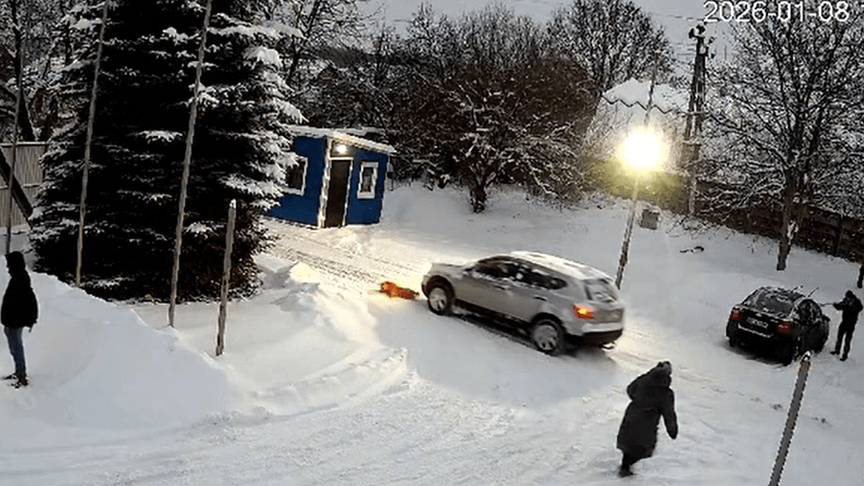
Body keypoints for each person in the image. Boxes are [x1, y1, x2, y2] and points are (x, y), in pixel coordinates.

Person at [616, 361, 678, 477]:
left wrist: (638, 401)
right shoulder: (665, 393)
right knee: (642, 447)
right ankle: (625, 469)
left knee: (629, 443)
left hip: (632, 415)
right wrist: (672, 430)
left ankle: (625, 467)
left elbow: (630, 389)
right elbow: (669, 413)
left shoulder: (643, 379)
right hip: (648, 422)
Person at [2, 251, 38, 388]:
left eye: (8, 264)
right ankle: (18, 372)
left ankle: (21, 375)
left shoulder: (20, 278)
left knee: (16, 347)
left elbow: (23, 301)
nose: (7, 267)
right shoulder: (18, 276)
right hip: (12, 320)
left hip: (15, 320)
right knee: (14, 347)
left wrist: (25, 318)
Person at [831, 290, 863, 362]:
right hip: (844, 322)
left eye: (848, 298)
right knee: (839, 337)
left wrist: (849, 306)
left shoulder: (857, 302)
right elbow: (840, 306)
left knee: (847, 340)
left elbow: (860, 308)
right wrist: (836, 305)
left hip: (851, 325)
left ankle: (845, 355)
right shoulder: (846, 301)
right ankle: (837, 350)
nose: (847, 298)